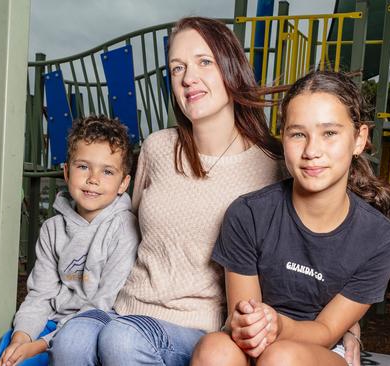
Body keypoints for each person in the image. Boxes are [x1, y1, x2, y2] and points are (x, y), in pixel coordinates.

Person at [49, 17, 362, 366]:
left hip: (202, 328)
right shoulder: (157, 148)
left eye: (203, 62)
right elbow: (124, 228)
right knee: (72, 340)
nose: (188, 78)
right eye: (177, 67)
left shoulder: (276, 163)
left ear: (231, 68)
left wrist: (347, 326)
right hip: (126, 309)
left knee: (123, 341)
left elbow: (312, 247)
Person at [192, 70, 390, 366]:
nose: (312, 151)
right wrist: (251, 324)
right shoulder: (248, 214)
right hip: (257, 343)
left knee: (281, 358)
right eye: (298, 134)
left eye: (329, 133)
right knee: (214, 349)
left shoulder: (380, 239)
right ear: (283, 137)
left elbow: (327, 331)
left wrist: (280, 325)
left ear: (359, 139)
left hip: (322, 349)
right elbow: (242, 320)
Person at [0, 115, 140, 366]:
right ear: (66, 171)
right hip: (46, 325)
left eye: (107, 171)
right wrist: (21, 338)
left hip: (91, 331)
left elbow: (104, 305)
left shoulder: (124, 230)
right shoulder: (52, 228)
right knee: (0, 359)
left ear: (123, 183)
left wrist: (39, 346)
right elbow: (40, 295)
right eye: (83, 166)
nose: (93, 178)